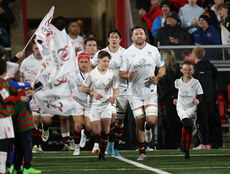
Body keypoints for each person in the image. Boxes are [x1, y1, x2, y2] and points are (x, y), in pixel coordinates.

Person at [119, 26, 166, 160]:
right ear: (132, 37)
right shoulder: (127, 53)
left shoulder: (153, 49)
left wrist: (157, 78)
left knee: (151, 120)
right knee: (138, 122)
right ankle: (142, 152)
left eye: (141, 33)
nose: (139, 35)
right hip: (134, 94)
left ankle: (148, 128)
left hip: (150, 91)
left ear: (145, 36)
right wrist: (128, 74)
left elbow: (162, 66)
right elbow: (121, 73)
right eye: (136, 34)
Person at [89, 29, 127, 157]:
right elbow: (91, 65)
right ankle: (107, 144)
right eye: (112, 37)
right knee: (110, 118)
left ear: (120, 39)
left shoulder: (125, 53)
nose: (114, 39)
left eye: (116, 37)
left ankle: (113, 147)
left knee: (119, 121)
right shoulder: (101, 53)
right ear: (108, 39)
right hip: (105, 92)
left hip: (121, 89)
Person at [82, 50, 119, 161]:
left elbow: (116, 89)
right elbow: (83, 88)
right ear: (98, 61)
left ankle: (102, 154)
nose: (106, 63)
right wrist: (93, 93)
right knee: (97, 131)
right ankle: (96, 142)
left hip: (106, 104)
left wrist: (114, 97)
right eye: (104, 61)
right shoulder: (92, 74)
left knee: (106, 130)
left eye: (107, 61)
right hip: (94, 105)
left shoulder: (111, 75)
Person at [20, 41, 52, 152]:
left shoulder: (48, 61)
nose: (39, 51)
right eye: (36, 48)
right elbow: (21, 76)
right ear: (32, 49)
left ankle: (45, 128)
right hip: (32, 95)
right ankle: (36, 144)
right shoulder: (26, 62)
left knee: (47, 120)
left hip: (45, 94)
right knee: (34, 120)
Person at [0, 57, 28, 174]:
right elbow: (6, 98)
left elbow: (14, 89)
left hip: (6, 118)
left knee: (9, 142)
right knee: (5, 144)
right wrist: (20, 97)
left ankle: (6, 166)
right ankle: (3, 168)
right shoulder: (2, 83)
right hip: (3, 118)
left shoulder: (5, 82)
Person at [11, 71, 41, 174]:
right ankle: (27, 167)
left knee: (17, 146)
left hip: (13, 122)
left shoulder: (9, 90)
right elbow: (38, 85)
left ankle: (16, 167)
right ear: (20, 79)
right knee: (27, 145)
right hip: (25, 121)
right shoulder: (25, 91)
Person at [173, 61, 203, 159]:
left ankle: (186, 150)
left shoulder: (196, 82)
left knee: (189, 128)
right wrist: (174, 98)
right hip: (181, 107)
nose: (187, 71)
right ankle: (183, 142)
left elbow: (201, 94)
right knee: (186, 124)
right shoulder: (177, 82)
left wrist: (198, 100)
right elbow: (172, 91)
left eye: (189, 69)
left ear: (193, 71)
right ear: (182, 70)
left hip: (192, 107)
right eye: (185, 69)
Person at [192, 47, 216, 150]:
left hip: (201, 97)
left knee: (201, 120)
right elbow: (216, 74)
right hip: (210, 96)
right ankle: (206, 142)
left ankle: (204, 143)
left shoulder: (198, 67)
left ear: (195, 54)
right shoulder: (208, 64)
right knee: (205, 119)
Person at [158, 49, 182, 149]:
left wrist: (163, 95)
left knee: (172, 121)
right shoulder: (176, 69)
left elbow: (172, 86)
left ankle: (173, 143)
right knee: (175, 121)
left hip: (170, 99)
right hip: (175, 98)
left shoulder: (169, 71)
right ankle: (176, 142)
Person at [70, 53, 91, 156]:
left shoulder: (93, 73)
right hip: (77, 101)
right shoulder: (73, 74)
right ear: (78, 63)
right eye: (81, 62)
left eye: (86, 62)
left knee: (89, 128)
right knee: (78, 125)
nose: (83, 64)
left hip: (89, 102)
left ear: (89, 62)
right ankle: (76, 147)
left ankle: (85, 135)